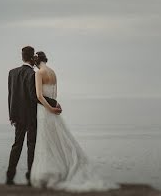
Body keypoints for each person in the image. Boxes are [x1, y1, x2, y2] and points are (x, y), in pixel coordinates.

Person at [30, 50, 118, 191]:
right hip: (54, 108)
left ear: (36, 62)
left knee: (46, 141)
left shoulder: (39, 73)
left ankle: (49, 173)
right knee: (58, 140)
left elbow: (39, 96)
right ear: (45, 59)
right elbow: (55, 94)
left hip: (45, 111)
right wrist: (55, 106)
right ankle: (62, 170)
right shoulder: (53, 73)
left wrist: (50, 109)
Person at [6, 45, 60, 185]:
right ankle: (30, 177)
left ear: (22, 57)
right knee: (31, 145)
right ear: (32, 58)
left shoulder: (12, 73)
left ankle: (9, 176)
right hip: (30, 116)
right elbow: (35, 96)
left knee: (16, 145)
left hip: (17, 116)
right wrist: (53, 102)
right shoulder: (32, 74)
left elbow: (10, 95)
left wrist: (11, 115)